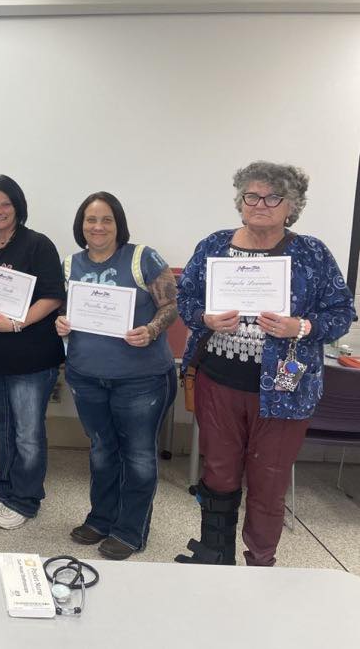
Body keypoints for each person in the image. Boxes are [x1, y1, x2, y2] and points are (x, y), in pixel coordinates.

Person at [176, 161, 354, 566]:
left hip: (284, 391)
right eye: (251, 196)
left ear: (291, 206)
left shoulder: (311, 252)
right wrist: (203, 317)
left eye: (273, 197)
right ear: (240, 202)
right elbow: (184, 298)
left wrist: (302, 325)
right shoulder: (214, 246)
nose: (261, 204)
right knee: (218, 472)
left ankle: (260, 563)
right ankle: (214, 554)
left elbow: (342, 312)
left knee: (268, 482)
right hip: (218, 380)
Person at [55, 192, 178, 560]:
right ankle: (102, 518)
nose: (97, 227)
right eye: (90, 220)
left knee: (138, 456)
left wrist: (152, 330)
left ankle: (130, 530)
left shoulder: (142, 258)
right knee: (102, 451)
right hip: (86, 376)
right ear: (81, 225)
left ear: (118, 223)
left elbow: (171, 305)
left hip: (140, 380)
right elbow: (67, 313)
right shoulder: (69, 264)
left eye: (106, 219)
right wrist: (60, 323)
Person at [0, 175, 65, 530]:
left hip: (31, 356)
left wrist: (19, 322)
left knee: (27, 431)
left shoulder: (38, 245)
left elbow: (53, 296)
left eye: (5, 204)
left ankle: (25, 498)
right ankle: (4, 489)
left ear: (18, 206)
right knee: (3, 427)